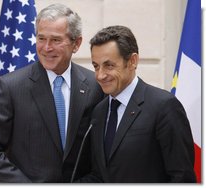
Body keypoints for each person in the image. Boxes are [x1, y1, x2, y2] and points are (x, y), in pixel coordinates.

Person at [0, 3, 104, 183]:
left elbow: (101, 153)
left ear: (76, 43)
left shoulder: (95, 85)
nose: (46, 47)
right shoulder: (10, 86)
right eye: (41, 38)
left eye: (56, 40)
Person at [78, 25, 196, 183]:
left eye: (109, 65)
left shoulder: (164, 106)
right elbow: (100, 175)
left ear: (132, 61)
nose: (100, 75)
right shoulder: (99, 110)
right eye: (96, 66)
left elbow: (182, 178)